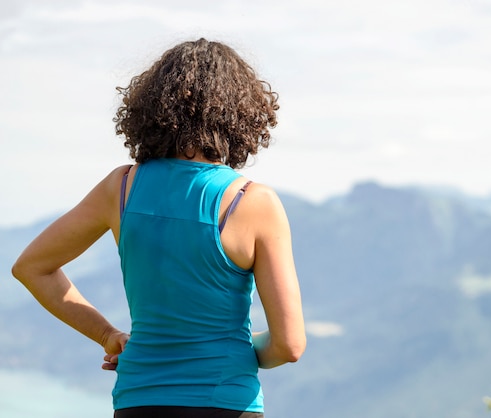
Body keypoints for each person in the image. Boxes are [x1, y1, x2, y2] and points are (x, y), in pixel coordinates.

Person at [11, 38, 306, 418]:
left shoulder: (120, 188)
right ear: (241, 115)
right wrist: (238, 353)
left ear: (151, 108)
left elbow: (31, 267)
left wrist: (107, 335)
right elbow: (290, 345)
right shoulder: (252, 202)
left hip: (139, 401)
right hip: (226, 402)